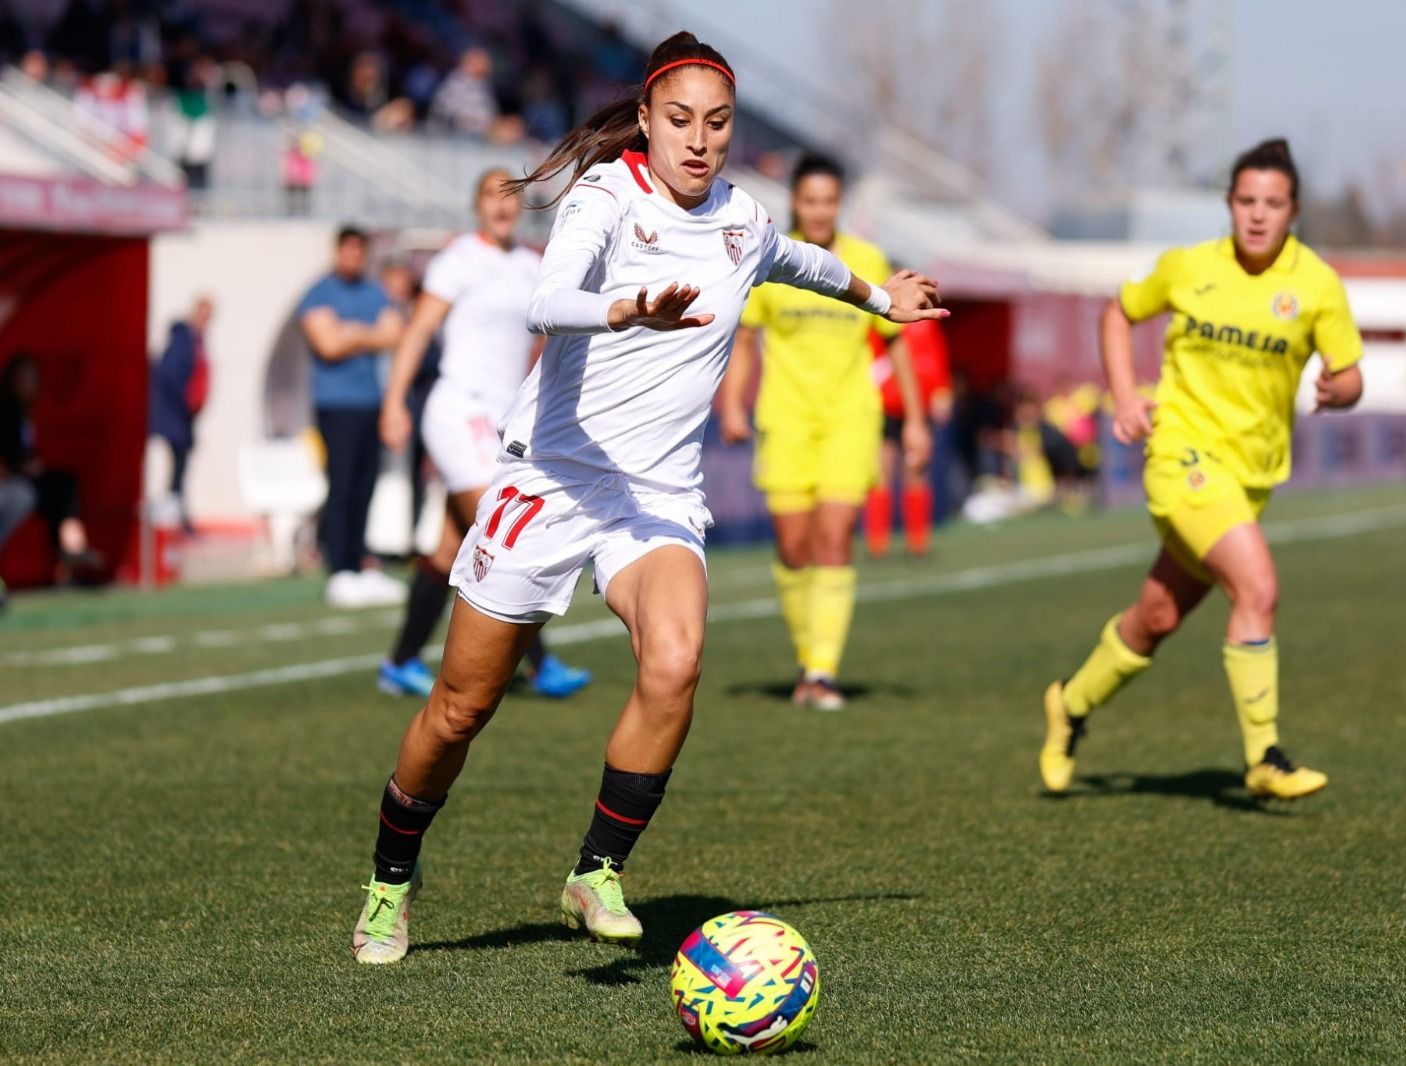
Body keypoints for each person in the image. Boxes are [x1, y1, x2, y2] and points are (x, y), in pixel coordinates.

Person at [350, 30, 945, 964]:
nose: (699, 140)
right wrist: (626, 307)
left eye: (716, 123)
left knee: (675, 661)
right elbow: (548, 299)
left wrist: (880, 296)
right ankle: (390, 878)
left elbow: (799, 262)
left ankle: (595, 872)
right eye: (679, 121)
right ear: (645, 122)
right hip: (550, 476)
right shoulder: (606, 196)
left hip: (655, 492)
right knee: (461, 708)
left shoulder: (744, 218)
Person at [1038, 138, 1364, 801]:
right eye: (1246, 201)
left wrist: (1341, 390)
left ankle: (1069, 707)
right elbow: (1117, 313)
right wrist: (1126, 398)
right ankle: (1264, 754)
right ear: (1229, 204)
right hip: (1181, 457)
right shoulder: (1189, 267)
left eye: (1273, 203)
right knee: (1258, 589)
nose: (1258, 215)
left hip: (1250, 478)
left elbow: (1351, 372)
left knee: (1154, 619)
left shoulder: (1316, 284)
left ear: (1293, 210)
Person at [719, 153, 932, 711]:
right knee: (793, 548)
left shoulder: (866, 260)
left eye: (828, 201)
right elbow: (744, 340)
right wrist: (733, 405)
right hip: (785, 420)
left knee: (834, 539)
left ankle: (822, 670)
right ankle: (807, 656)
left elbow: (894, 342)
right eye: (809, 201)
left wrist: (913, 420)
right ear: (795, 202)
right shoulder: (772, 257)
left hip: (849, 421)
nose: (818, 211)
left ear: (840, 204)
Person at [376, 168, 591, 701]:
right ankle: (538, 665)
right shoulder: (458, 260)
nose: (502, 205)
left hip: (501, 421)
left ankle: (400, 661)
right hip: (456, 410)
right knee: (500, 531)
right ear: (476, 205)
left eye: (510, 196)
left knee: (451, 549)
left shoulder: (529, 265)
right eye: (491, 196)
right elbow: (419, 330)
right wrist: (394, 402)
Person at [296, 226, 407, 608]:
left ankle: (359, 563)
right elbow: (326, 344)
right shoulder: (320, 293)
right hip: (336, 404)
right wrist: (368, 333)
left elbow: (395, 334)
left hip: (370, 402)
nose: (353, 257)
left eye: (360, 251)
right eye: (348, 250)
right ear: (337, 251)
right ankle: (338, 566)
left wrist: (353, 333)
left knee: (365, 485)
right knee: (341, 483)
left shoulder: (374, 292)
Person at [0, 354, 101, 576]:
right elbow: (9, 455)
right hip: (11, 479)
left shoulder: (24, 412)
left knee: (62, 486)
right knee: (57, 488)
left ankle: (68, 550)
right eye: (23, 378)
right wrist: (24, 467)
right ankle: (70, 546)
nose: (28, 383)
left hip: (21, 478)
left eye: (32, 378)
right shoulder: (7, 410)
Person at [866, 317, 952, 558]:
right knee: (881, 471)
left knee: (916, 470)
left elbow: (936, 356)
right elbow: (871, 356)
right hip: (887, 404)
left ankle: (917, 542)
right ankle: (877, 544)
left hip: (919, 405)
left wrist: (941, 391)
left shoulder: (926, 321)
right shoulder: (881, 313)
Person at [150, 295, 213, 534]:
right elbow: (171, 377)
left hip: (184, 418)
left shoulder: (196, 340)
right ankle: (175, 522)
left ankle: (179, 520)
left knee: (180, 471)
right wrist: (185, 404)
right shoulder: (182, 339)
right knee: (176, 470)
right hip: (175, 417)